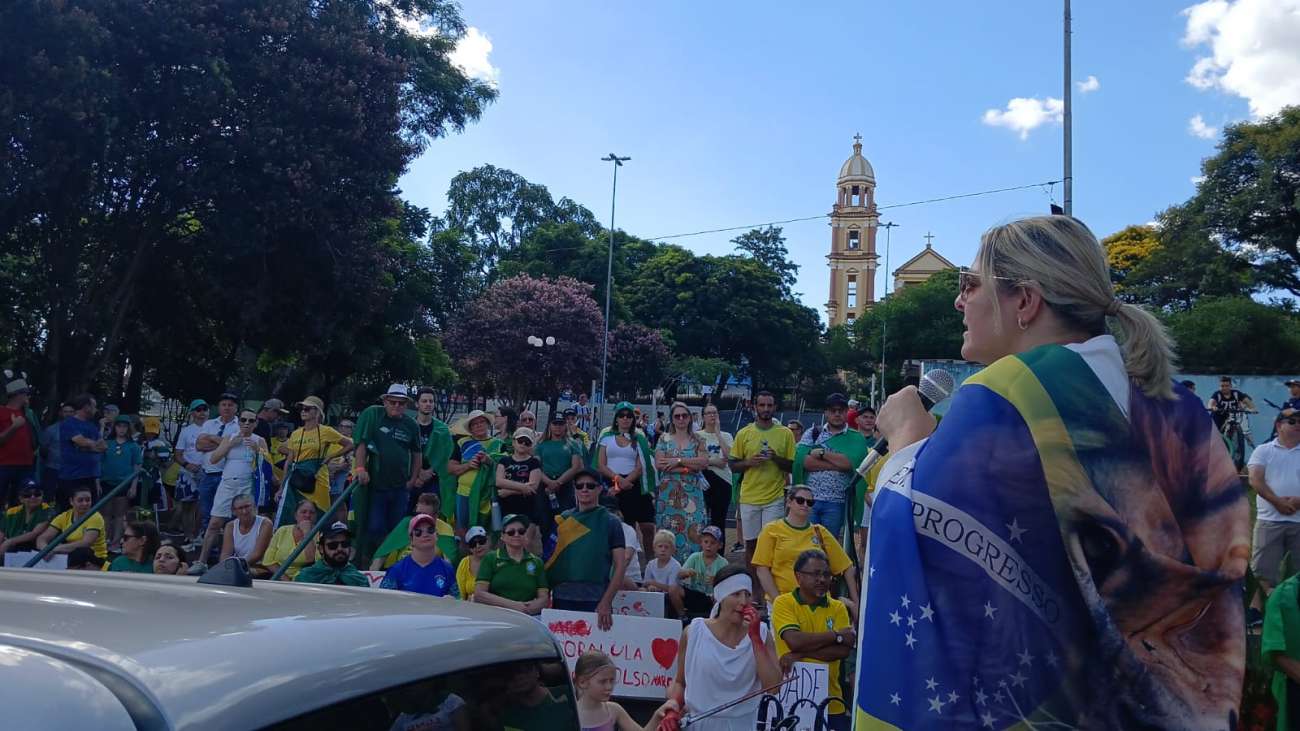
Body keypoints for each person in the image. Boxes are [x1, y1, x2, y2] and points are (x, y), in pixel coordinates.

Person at [860, 215, 1246, 727]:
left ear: (1025, 300)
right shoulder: (1176, 405)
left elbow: (913, 523)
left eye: (970, 285)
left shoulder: (1010, 392)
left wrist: (906, 437)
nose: (960, 301)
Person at [665, 564, 781, 731]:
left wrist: (755, 638)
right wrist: (672, 708)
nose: (743, 602)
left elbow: (773, 687)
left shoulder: (761, 633)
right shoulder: (694, 632)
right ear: (721, 597)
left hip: (742, 725)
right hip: (698, 724)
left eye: (747, 595)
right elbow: (680, 682)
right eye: (736, 594)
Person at [771, 549, 854, 730]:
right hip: (791, 700)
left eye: (826, 574)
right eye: (815, 574)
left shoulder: (838, 607)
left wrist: (799, 654)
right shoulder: (783, 603)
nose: (822, 580)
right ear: (798, 576)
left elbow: (843, 651)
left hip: (832, 703)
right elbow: (794, 640)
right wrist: (836, 635)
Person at [752, 485, 858, 612]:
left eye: (810, 502)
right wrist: (777, 601)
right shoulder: (771, 530)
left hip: (818, 602)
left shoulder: (819, 531)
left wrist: (856, 603)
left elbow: (846, 566)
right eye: (800, 500)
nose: (805, 504)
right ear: (789, 502)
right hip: (784, 599)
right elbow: (762, 569)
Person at [729, 391, 795, 594]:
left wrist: (775, 458)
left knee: (771, 544)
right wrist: (749, 462)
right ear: (754, 407)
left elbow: (792, 465)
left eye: (769, 405)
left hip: (774, 497)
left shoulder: (785, 433)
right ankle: (753, 589)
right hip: (749, 497)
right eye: (762, 405)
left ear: (775, 407)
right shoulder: (744, 433)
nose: (765, 409)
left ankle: (770, 590)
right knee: (751, 544)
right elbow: (732, 465)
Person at [546, 468, 627, 628]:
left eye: (590, 485)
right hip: (562, 598)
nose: (584, 489)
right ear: (574, 489)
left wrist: (606, 601)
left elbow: (620, 566)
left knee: (594, 652)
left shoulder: (611, 522)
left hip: (595, 600)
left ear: (599, 488)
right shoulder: (563, 519)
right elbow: (550, 559)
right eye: (579, 486)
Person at [352, 384, 423, 562]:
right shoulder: (374, 416)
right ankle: (370, 561)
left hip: (400, 486)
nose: (396, 406)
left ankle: (389, 564)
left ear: (406, 405)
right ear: (385, 401)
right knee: (375, 527)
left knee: (396, 528)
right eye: (392, 402)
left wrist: (413, 479)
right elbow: (362, 443)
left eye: (401, 403)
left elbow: (417, 453)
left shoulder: (411, 424)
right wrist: (360, 468)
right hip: (376, 485)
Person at [793, 393, 870, 549]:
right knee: (807, 546)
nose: (836, 414)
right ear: (826, 412)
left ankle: (828, 574)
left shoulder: (856, 438)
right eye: (832, 410)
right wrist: (838, 463)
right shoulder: (812, 433)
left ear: (846, 412)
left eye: (840, 410)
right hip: (809, 501)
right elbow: (804, 462)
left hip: (837, 502)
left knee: (830, 547)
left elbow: (852, 464)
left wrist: (822, 453)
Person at [1247, 408, 1300, 626]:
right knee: (1262, 569)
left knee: (1298, 572)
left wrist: (1297, 501)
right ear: (1279, 425)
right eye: (1292, 420)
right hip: (1271, 519)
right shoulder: (1263, 450)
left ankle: (1293, 613)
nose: (1298, 424)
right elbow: (1256, 480)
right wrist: (1279, 502)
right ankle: (1255, 612)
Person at [198, 409, 267, 565]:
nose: (246, 423)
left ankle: (243, 561)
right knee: (215, 522)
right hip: (228, 483)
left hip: (247, 484)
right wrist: (229, 445)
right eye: (243, 420)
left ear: (256, 423)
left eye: (251, 421)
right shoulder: (230, 437)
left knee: (245, 522)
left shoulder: (259, 439)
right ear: (239, 422)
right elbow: (214, 459)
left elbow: (267, 463)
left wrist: (258, 450)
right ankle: (201, 561)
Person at [594, 401, 657, 557]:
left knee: (648, 526)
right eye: (621, 415)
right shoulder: (606, 436)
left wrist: (625, 482)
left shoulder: (640, 437)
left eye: (629, 416)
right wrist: (618, 481)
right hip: (612, 482)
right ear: (616, 418)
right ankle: (623, 562)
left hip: (634, 483)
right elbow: (600, 464)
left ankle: (650, 563)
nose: (625, 418)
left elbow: (641, 464)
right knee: (625, 525)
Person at [277, 395, 351, 525]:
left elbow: (350, 444)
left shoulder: (326, 431)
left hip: (317, 477)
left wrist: (331, 456)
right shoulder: (296, 433)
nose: (303, 411)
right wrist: (281, 487)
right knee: (293, 513)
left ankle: (320, 541)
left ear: (317, 412)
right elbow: (289, 461)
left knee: (319, 512)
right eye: (302, 409)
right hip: (297, 476)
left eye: (307, 409)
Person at [653, 402, 709, 565]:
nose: (681, 419)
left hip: (692, 494)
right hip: (668, 493)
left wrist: (678, 461)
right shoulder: (664, 438)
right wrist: (688, 467)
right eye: (677, 416)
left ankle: (691, 572)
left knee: (694, 529)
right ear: (672, 419)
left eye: (684, 415)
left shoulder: (698, 439)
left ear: (690, 418)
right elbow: (660, 464)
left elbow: (704, 463)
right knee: (668, 529)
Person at [573, 651, 679, 731]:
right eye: (603, 682)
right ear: (582, 682)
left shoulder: (614, 710)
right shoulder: (570, 714)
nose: (609, 686)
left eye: (612, 680)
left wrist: (657, 715)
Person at [474, 513, 549, 615]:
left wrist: (529, 608)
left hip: (528, 617)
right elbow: (479, 594)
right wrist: (515, 606)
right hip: (496, 616)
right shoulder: (491, 558)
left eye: (521, 531)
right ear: (502, 536)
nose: (516, 534)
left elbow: (544, 598)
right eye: (511, 532)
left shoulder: (536, 562)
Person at [371, 491, 458, 570]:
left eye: (425, 515)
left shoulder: (445, 529)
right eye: (418, 513)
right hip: (400, 568)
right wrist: (373, 574)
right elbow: (384, 551)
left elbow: (449, 561)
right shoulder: (407, 523)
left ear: (436, 516)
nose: (420, 518)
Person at [448, 410, 501, 536]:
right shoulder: (462, 443)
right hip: (464, 493)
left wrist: (489, 462)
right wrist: (468, 465)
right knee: (463, 530)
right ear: (470, 428)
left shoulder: (498, 445)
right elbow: (450, 469)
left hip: (487, 496)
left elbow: (502, 470)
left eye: (481, 422)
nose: (478, 425)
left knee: (486, 532)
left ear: (488, 424)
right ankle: (464, 555)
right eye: (474, 424)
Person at [194, 392, 240, 538]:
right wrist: (224, 443)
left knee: (228, 515)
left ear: (236, 408)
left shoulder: (240, 426)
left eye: (230, 405)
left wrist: (212, 438)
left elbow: (235, 446)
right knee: (206, 512)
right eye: (223, 404)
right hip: (207, 475)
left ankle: (226, 548)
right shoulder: (209, 423)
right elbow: (199, 445)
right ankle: (210, 547)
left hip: (227, 477)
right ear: (219, 407)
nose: (226, 408)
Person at [380, 513, 458, 597]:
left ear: (437, 536)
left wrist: (452, 601)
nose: (425, 534)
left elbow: (458, 600)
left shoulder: (447, 569)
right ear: (411, 540)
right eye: (418, 532)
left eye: (430, 530)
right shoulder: (396, 570)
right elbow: (384, 601)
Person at [496, 427, 544, 552]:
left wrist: (509, 490)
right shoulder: (504, 460)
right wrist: (523, 487)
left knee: (526, 544)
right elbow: (499, 481)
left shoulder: (534, 462)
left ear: (531, 445)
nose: (523, 444)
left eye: (527, 442)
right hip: (507, 509)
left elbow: (533, 488)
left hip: (528, 509)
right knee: (507, 545)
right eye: (520, 440)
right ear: (513, 442)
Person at [99, 415, 141, 549]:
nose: (121, 429)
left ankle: (116, 542)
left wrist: (133, 487)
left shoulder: (133, 446)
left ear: (129, 428)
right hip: (106, 482)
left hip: (123, 483)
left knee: (119, 514)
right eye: (119, 426)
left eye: (124, 426)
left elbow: (137, 467)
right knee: (105, 514)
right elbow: (98, 451)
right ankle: (103, 540)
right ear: (114, 427)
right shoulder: (108, 443)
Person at [58, 393, 106, 509]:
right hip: (71, 477)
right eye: (94, 406)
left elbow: (104, 446)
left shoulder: (92, 426)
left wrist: (87, 446)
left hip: (90, 476)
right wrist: (90, 446)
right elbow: (80, 441)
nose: (96, 409)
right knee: (70, 511)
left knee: (90, 511)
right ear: (86, 407)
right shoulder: (68, 423)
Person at [170, 399, 208, 542]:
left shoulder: (214, 428)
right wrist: (187, 465)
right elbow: (177, 454)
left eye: (204, 409)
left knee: (204, 506)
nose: (202, 413)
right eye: (198, 410)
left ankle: (200, 534)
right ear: (192, 413)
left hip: (208, 473)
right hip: (188, 474)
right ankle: (189, 536)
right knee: (187, 507)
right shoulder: (186, 431)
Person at [37, 484, 107, 561]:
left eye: (88, 500)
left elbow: (86, 543)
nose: (85, 503)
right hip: (73, 558)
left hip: (95, 559)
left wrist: (55, 549)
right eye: (80, 500)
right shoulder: (64, 516)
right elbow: (42, 538)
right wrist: (45, 550)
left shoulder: (96, 517)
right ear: (71, 501)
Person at [412, 387, 453, 517]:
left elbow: (446, 455)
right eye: (424, 401)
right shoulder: (408, 425)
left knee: (431, 516)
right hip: (411, 478)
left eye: (431, 401)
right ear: (417, 403)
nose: (428, 404)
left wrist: (430, 472)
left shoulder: (443, 429)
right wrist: (417, 474)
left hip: (434, 480)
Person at [0, 371, 39, 508]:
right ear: (19, 394)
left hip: (26, 466)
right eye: (26, 394)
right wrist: (14, 427)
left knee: (22, 503)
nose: (28, 397)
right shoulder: (1, 411)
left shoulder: (28, 414)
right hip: (4, 465)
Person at [537, 414, 585, 518]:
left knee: (566, 518)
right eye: (555, 423)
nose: (558, 427)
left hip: (565, 485)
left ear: (565, 425)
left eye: (561, 424)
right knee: (543, 519)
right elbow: (536, 467)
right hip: (545, 486)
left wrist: (558, 483)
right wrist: (549, 483)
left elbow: (576, 466)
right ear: (550, 425)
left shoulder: (573, 444)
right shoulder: (541, 445)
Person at [698, 404, 734, 537]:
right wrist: (715, 462)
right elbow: (697, 460)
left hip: (723, 481)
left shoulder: (727, 436)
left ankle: (719, 554)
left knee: (718, 521)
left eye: (715, 413)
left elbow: (729, 457)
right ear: (703, 417)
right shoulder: (697, 435)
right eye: (709, 413)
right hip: (703, 480)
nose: (712, 415)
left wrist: (718, 434)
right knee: (700, 519)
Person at [295, 521, 368, 586]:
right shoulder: (306, 577)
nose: (340, 549)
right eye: (333, 545)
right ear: (321, 549)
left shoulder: (360, 580)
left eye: (345, 544)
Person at [262, 499, 319, 580]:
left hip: (304, 578)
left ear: (316, 516)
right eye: (303, 512)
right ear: (296, 515)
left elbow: (311, 559)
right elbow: (268, 561)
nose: (307, 515)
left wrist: (307, 532)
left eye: (311, 512)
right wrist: (285, 579)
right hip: (279, 576)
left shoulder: (320, 535)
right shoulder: (282, 530)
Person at [681, 525, 729, 617]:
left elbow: (728, 584)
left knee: (721, 598)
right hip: (694, 593)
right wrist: (687, 572)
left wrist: (716, 581)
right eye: (706, 542)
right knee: (675, 589)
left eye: (713, 543)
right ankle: (682, 615)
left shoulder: (723, 563)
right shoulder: (694, 557)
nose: (708, 545)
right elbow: (679, 574)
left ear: (720, 545)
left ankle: (715, 617)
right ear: (701, 543)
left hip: (712, 597)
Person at [217, 493, 272, 571]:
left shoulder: (265, 523)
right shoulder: (230, 526)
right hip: (240, 566)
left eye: (247, 506)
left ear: (254, 506)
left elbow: (257, 554)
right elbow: (226, 553)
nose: (244, 511)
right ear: (234, 511)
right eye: (240, 508)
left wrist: (237, 567)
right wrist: (224, 567)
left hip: (260, 567)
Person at [0, 480, 55, 553]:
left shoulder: (48, 511)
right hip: (12, 550)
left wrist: (9, 542)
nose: (33, 497)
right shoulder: (11, 512)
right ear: (21, 499)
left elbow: (34, 533)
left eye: (37, 494)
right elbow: (1, 533)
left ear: (42, 495)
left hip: (36, 551)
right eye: (27, 495)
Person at [644, 529, 685, 618]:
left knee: (673, 590)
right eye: (660, 546)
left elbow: (671, 588)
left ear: (673, 550)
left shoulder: (675, 565)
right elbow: (646, 583)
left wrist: (654, 583)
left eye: (666, 547)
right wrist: (650, 586)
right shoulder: (651, 564)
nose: (663, 549)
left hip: (670, 594)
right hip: (654, 592)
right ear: (654, 548)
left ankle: (682, 614)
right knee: (641, 590)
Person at [40, 404, 73, 501]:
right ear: (60, 413)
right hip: (53, 468)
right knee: (49, 496)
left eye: (71, 412)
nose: (68, 414)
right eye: (66, 411)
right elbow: (43, 449)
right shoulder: (51, 430)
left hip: (72, 470)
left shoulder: (80, 429)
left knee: (68, 497)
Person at [456, 525, 490, 600]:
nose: (478, 546)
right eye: (473, 544)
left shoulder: (497, 559)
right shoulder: (464, 563)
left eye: (481, 541)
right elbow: (460, 594)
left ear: (488, 541)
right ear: (469, 548)